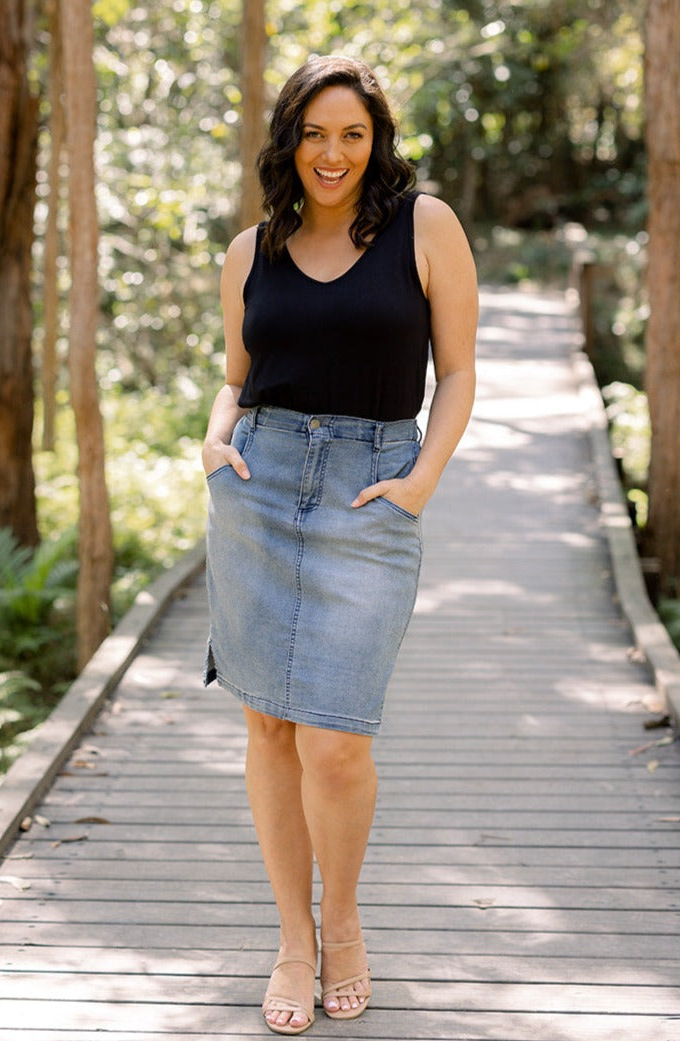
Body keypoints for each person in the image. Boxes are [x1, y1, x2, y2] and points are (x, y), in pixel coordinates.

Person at [201, 54, 477, 1036]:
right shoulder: (251, 250)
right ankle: (292, 940)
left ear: (377, 140)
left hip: (371, 488)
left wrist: (421, 481)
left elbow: (459, 374)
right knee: (269, 727)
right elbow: (237, 374)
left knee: (336, 736)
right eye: (315, 133)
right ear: (289, 140)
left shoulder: (425, 228)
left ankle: (345, 922)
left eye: (352, 133)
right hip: (259, 486)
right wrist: (213, 430)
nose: (333, 152)